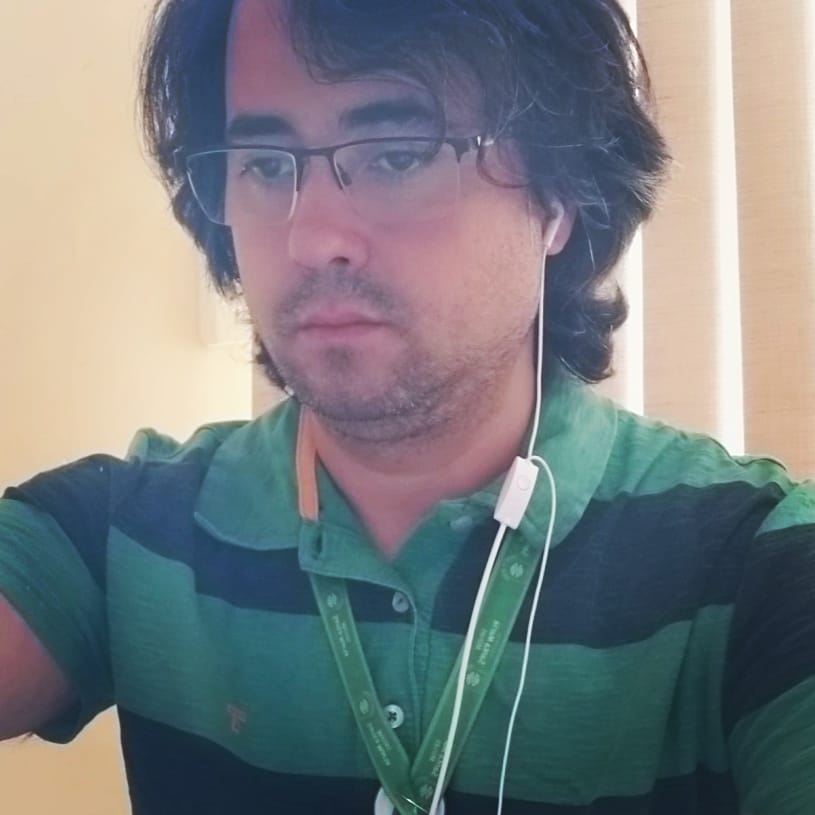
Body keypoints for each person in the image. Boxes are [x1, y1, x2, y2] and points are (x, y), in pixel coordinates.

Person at [1, 0, 813, 813]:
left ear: (559, 193)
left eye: (397, 155)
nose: (312, 237)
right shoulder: (128, 533)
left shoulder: (757, 569)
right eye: (266, 165)